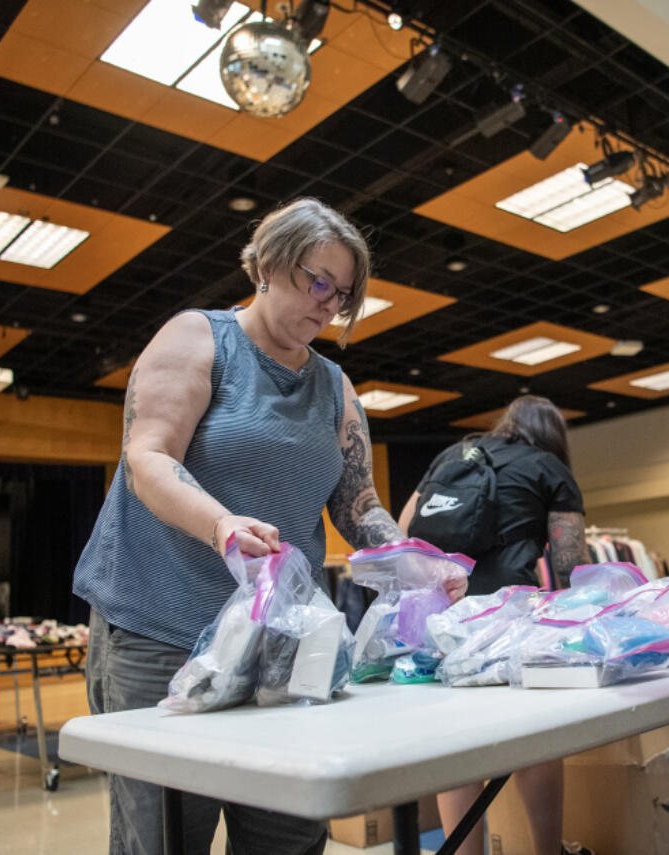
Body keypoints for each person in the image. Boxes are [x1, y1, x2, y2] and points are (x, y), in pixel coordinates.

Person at [73, 197, 465, 855]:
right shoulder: (196, 339)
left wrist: (411, 558)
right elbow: (148, 457)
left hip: (280, 644)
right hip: (161, 634)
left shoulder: (335, 387)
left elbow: (356, 503)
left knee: (287, 834)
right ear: (269, 263)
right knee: (170, 835)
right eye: (319, 282)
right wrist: (222, 523)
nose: (329, 305)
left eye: (342, 295)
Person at [397, 395, 590, 855]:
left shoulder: (454, 455)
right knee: (534, 740)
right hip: (509, 619)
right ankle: (547, 851)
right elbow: (571, 570)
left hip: (444, 616)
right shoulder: (550, 468)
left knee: (458, 748)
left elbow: (405, 529)